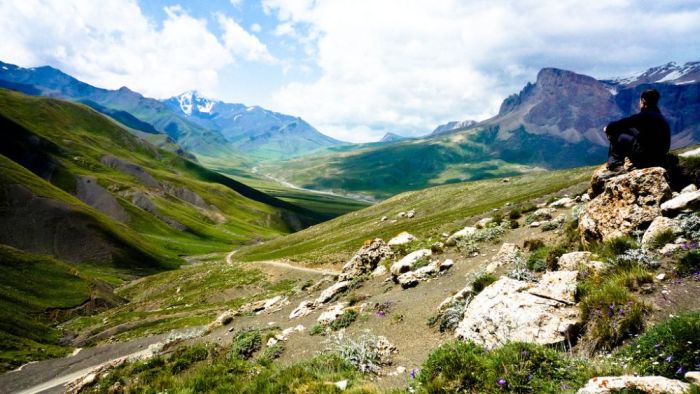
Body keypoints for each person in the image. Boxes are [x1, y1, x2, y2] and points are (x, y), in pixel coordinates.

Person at [603, 88, 671, 173]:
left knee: (617, 133)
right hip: (659, 155)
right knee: (626, 129)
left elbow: (621, 123)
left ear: (643, 100)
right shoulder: (658, 115)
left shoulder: (644, 116)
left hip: (646, 158)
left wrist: (608, 128)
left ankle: (614, 164)